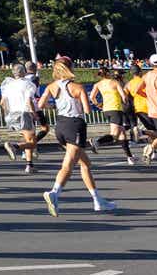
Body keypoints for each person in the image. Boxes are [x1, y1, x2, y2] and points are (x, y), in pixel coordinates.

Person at [37, 58, 116, 215]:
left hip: (60, 126)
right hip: (75, 126)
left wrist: (52, 106)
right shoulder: (77, 87)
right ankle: (54, 193)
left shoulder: (51, 86)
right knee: (68, 165)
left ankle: (97, 200)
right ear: (70, 68)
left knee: (85, 164)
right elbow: (87, 110)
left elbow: (40, 105)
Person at [1, 62, 41, 174]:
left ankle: (29, 165)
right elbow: (29, 101)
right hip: (24, 113)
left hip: (13, 114)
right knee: (32, 142)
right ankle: (14, 146)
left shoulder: (8, 84)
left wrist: (7, 113)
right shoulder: (28, 84)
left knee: (28, 140)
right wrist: (34, 113)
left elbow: (2, 102)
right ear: (24, 72)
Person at [91, 69, 134, 164]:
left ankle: (130, 157)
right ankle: (97, 141)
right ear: (108, 73)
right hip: (116, 109)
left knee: (122, 134)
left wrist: (98, 105)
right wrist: (126, 102)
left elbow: (92, 97)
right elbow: (123, 96)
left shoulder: (98, 84)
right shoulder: (115, 82)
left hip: (106, 110)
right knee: (115, 135)